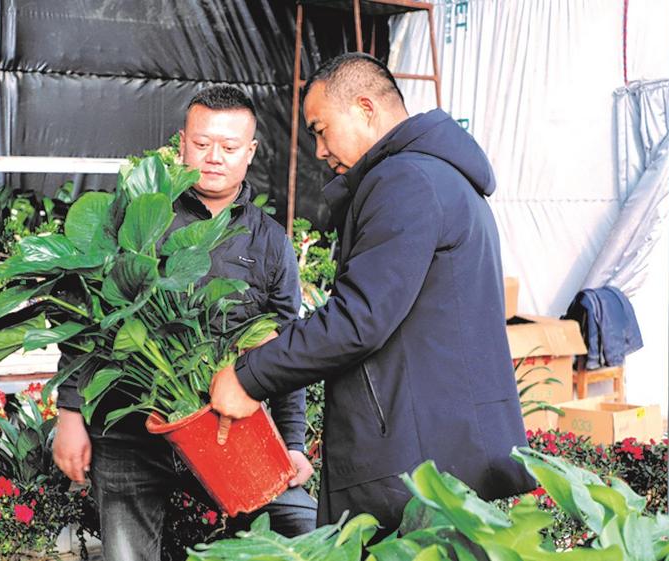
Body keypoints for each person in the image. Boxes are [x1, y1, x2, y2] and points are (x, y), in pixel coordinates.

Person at [209, 53, 535, 532]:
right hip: (438, 453)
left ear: (365, 108)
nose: (319, 150)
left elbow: (359, 318)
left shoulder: (406, 180)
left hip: (415, 466)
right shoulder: (440, 177)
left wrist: (249, 376)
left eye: (321, 130)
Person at [53, 85, 318, 560]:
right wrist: (70, 414)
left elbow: (286, 350)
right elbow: (87, 318)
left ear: (251, 151)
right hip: (130, 429)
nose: (214, 157)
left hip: (229, 429)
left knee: (307, 530)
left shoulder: (270, 241)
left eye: (229, 146)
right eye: (201, 143)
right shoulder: (139, 214)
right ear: (181, 143)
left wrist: (293, 443)